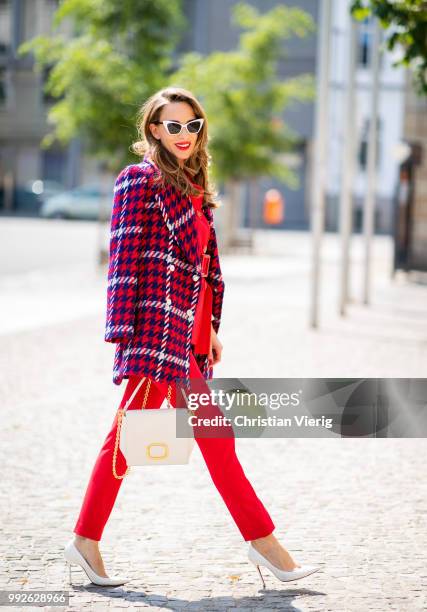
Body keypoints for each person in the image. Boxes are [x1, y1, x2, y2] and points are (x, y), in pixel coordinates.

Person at [64, 87, 320, 588]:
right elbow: (124, 261)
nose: (184, 135)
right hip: (154, 336)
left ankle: (88, 542)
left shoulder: (194, 186)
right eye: (173, 125)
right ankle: (264, 546)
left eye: (192, 125)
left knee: (208, 440)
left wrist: (211, 330)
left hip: (189, 335)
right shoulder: (138, 181)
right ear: (154, 130)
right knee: (129, 442)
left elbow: (205, 268)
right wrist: (126, 337)